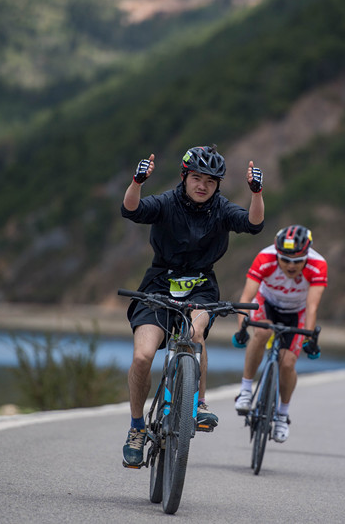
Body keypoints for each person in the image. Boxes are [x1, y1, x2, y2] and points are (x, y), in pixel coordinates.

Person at [120, 145, 264, 467]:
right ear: (185, 177)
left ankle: (196, 405)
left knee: (194, 334)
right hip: (158, 283)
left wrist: (256, 193)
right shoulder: (166, 203)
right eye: (196, 178)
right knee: (143, 356)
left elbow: (253, 224)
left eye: (210, 181)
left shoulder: (222, 210)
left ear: (217, 185)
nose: (203, 185)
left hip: (201, 285)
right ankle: (136, 427)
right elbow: (131, 210)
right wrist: (137, 181)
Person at [232, 224, 327, 443]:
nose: (290, 265)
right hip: (267, 304)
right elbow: (246, 298)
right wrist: (241, 329)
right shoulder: (265, 257)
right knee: (262, 333)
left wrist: (309, 338)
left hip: (297, 311)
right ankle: (246, 390)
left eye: (297, 261)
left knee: (287, 363)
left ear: (307, 255)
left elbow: (312, 307)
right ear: (277, 254)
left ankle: (283, 415)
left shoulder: (318, 264)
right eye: (284, 260)